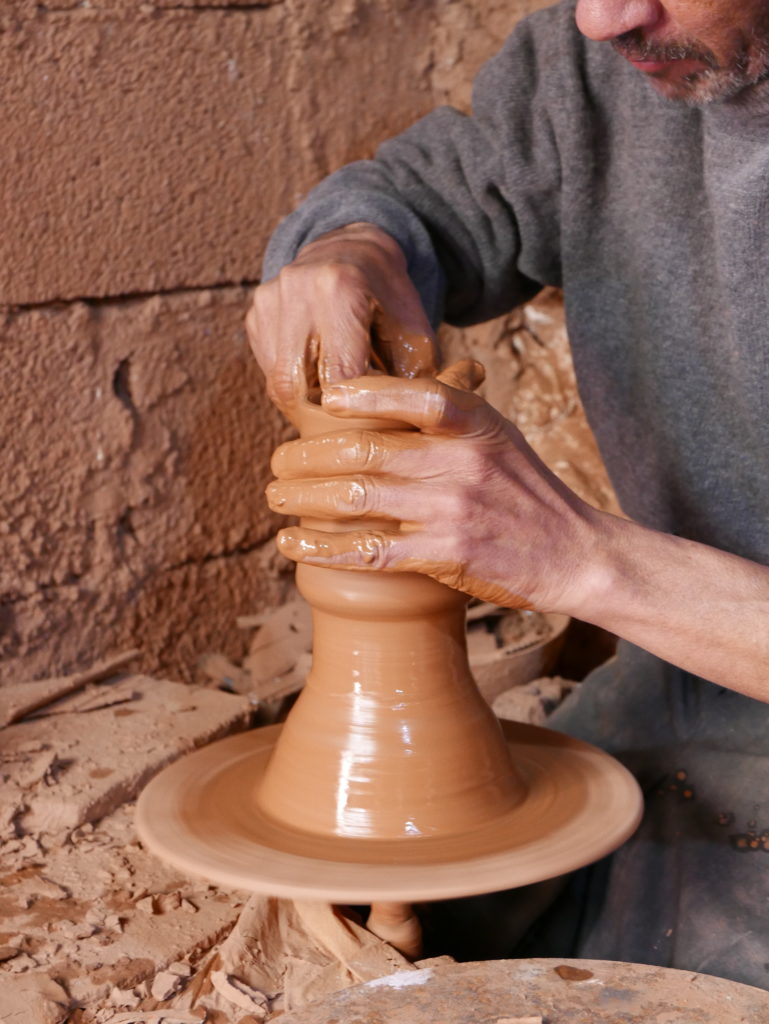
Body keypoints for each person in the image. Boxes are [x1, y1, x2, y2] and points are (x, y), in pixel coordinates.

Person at [246, 0, 769, 987]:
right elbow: (427, 193)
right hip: (663, 710)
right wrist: (352, 250)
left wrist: (581, 559)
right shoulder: (596, 71)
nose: (604, 17)